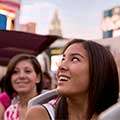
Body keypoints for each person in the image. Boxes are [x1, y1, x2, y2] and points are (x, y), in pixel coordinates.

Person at [25, 39, 119, 120]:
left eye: (74, 59)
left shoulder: (114, 115)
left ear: (99, 69)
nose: (61, 66)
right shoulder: (40, 114)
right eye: (63, 59)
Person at [3, 53, 43, 120]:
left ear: (38, 77)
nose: (21, 76)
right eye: (15, 72)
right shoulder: (9, 112)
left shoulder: (51, 107)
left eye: (27, 71)